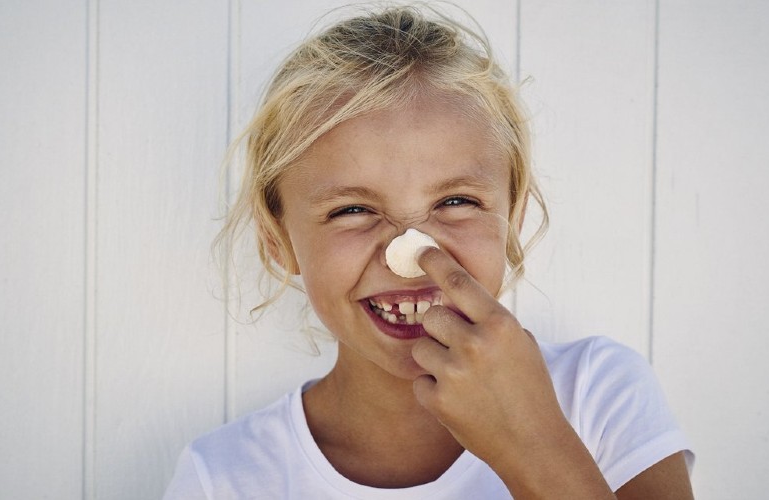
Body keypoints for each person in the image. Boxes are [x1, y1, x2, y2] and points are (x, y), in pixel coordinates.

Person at [164, 5, 693, 499]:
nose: (409, 255)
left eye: (457, 201)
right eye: (352, 210)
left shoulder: (599, 395)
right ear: (275, 238)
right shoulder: (223, 476)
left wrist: (533, 445)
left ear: (514, 217)